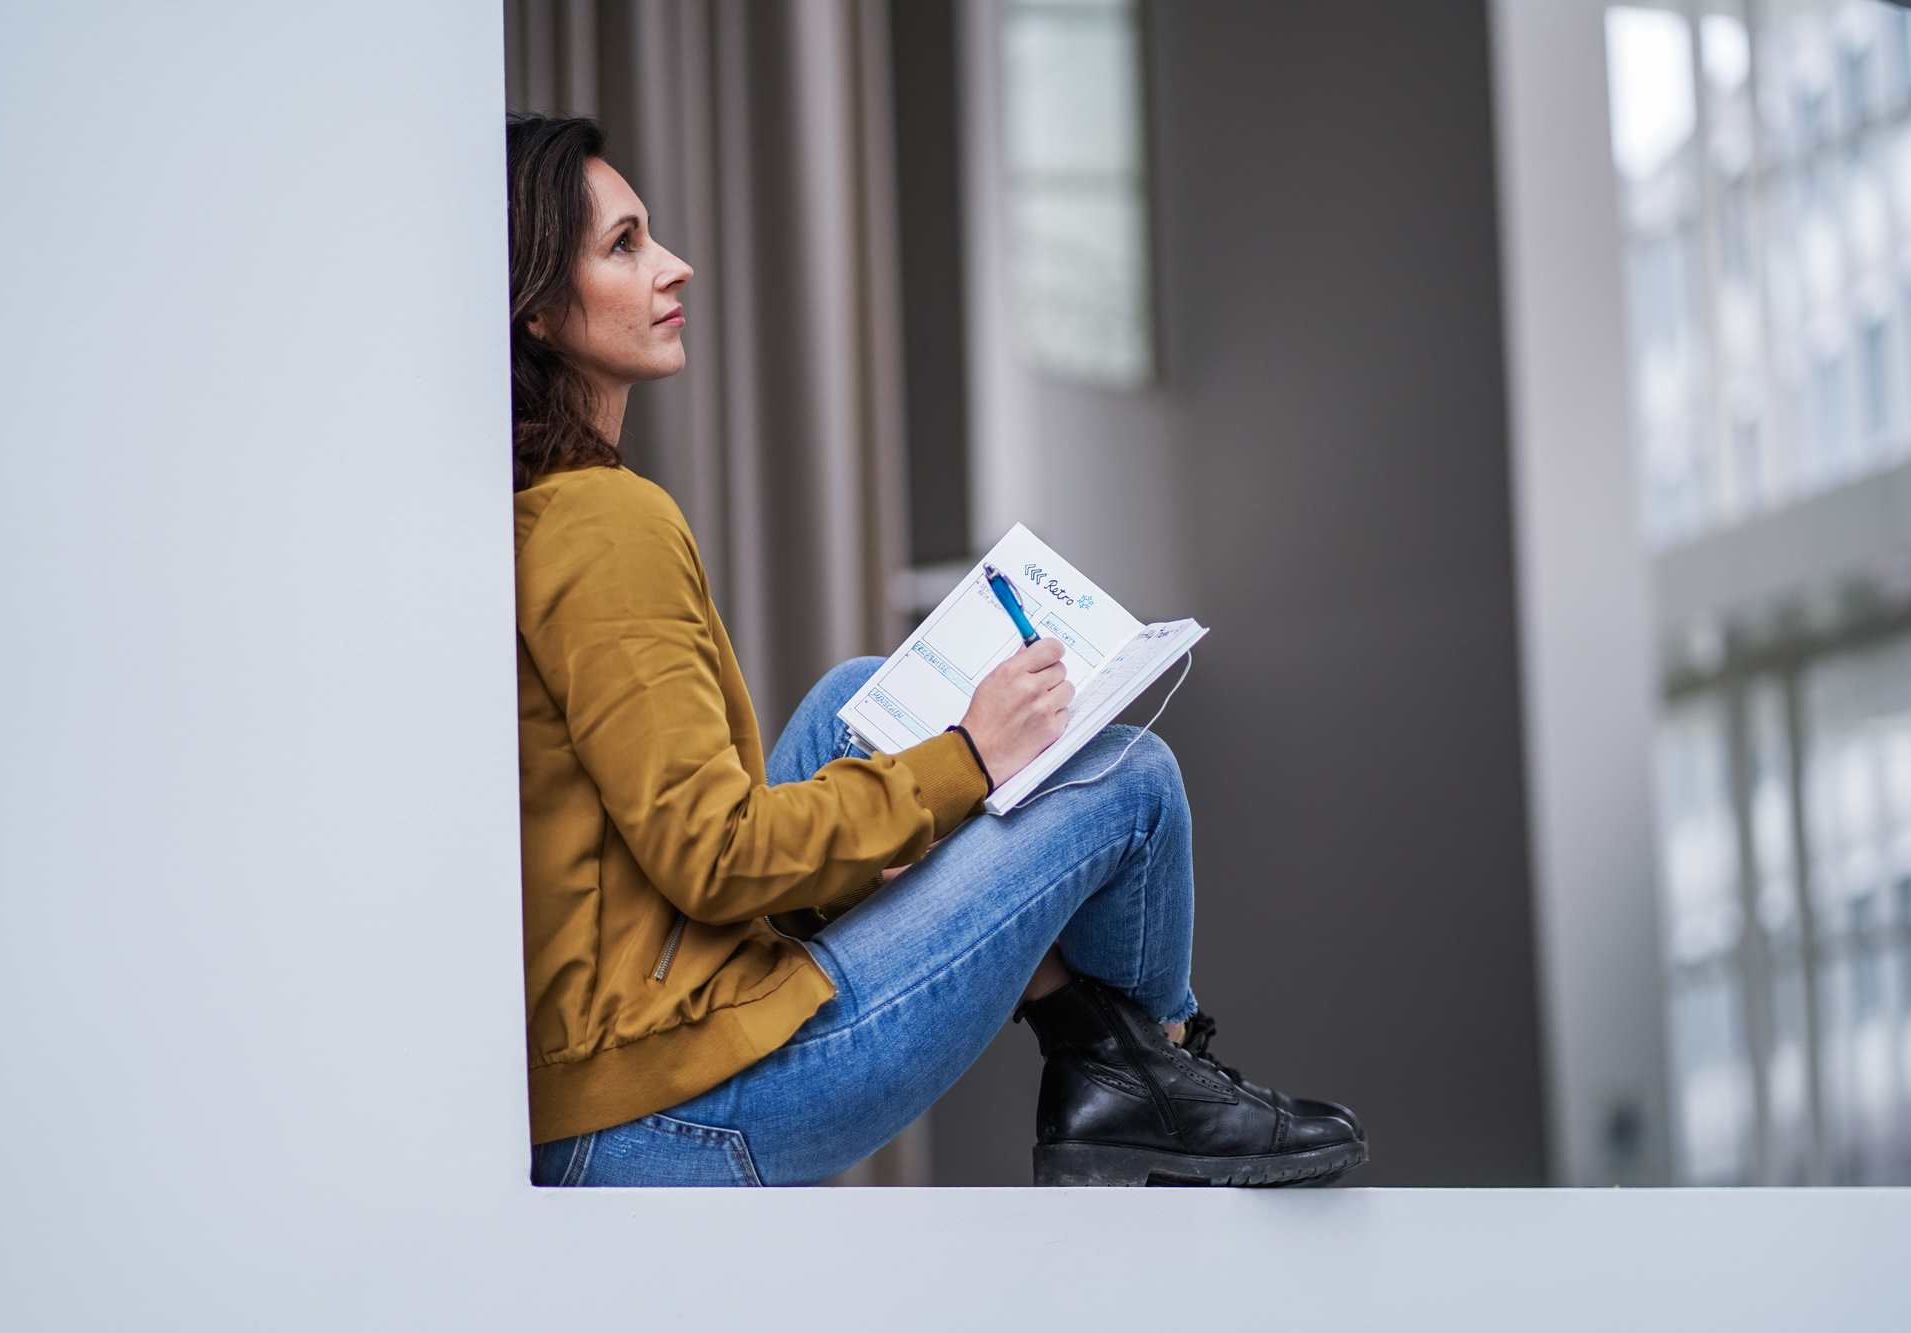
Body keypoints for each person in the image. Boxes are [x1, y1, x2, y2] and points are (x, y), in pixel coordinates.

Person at [510, 113, 1366, 1188]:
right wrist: (963, 760)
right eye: (624, 245)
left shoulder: (538, 516)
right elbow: (712, 856)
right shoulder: (604, 523)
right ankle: (1161, 1085)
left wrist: (903, 815)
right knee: (1128, 781)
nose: (672, 265)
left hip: (624, 1071)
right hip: (672, 1112)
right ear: (539, 309)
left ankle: (1121, 1078)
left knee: (853, 700)